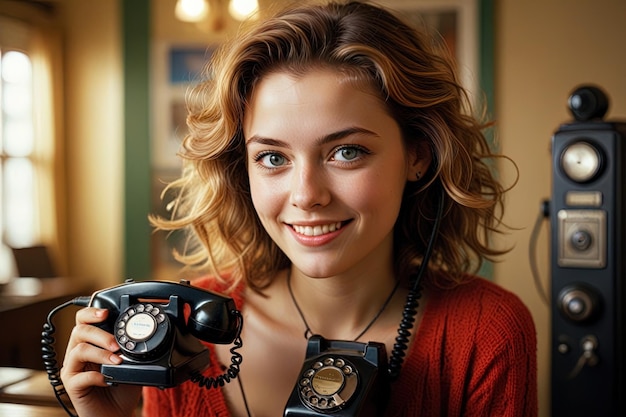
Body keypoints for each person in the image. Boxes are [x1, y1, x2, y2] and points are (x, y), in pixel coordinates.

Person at [60, 1, 537, 416]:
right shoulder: (179, 330)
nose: (306, 195)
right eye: (272, 157)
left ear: (417, 154)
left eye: (346, 151)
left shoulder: (486, 331)